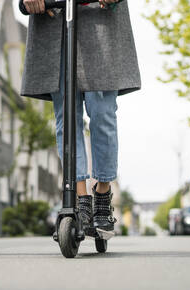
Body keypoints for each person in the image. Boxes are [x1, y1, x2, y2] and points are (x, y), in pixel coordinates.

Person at [21, 0, 141, 231]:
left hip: (100, 16)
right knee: (65, 117)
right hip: (55, 17)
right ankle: (81, 197)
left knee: (102, 112)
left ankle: (103, 196)